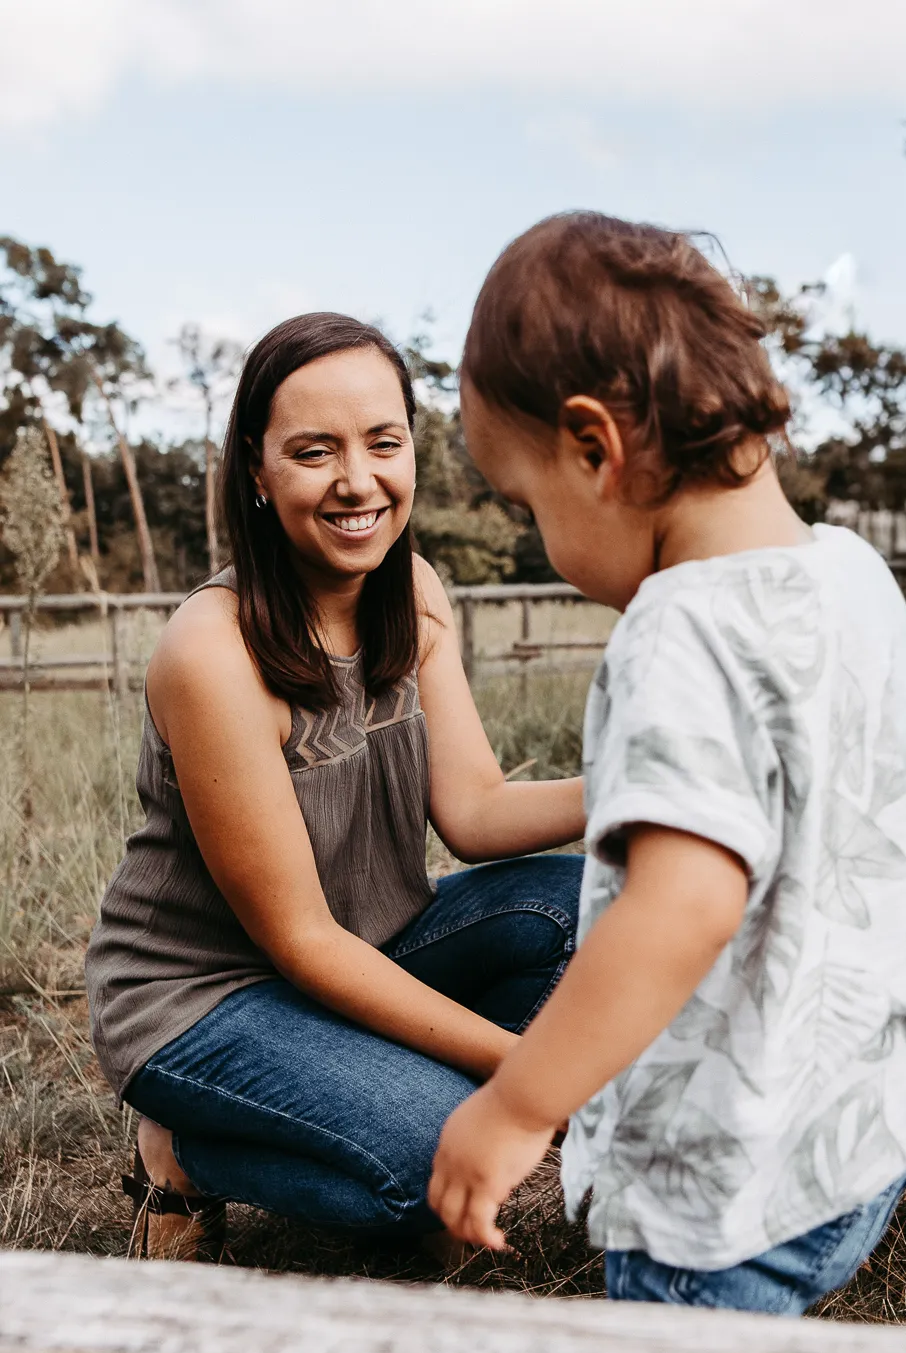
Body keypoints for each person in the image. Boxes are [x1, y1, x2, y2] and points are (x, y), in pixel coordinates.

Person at [428, 212, 906, 1314]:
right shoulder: (849, 576)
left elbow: (681, 907)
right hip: (860, 1138)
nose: (538, 540)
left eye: (526, 505)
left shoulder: (678, 630)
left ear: (593, 449)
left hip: (719, 1199)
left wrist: (517, 1106)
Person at [86, 311, 584, 1261]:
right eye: (314, 451)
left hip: (371, 947)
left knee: (585, 904)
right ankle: (185, 1153)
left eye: (382, 443)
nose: (358, 481)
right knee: (448, 1158)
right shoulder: (212, 653)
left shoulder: (417, 591)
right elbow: (302, 942)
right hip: (203, 996)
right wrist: (530, 1077)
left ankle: (379, 1093)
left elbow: (475, 813)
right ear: (258, 473)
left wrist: (645, 788)